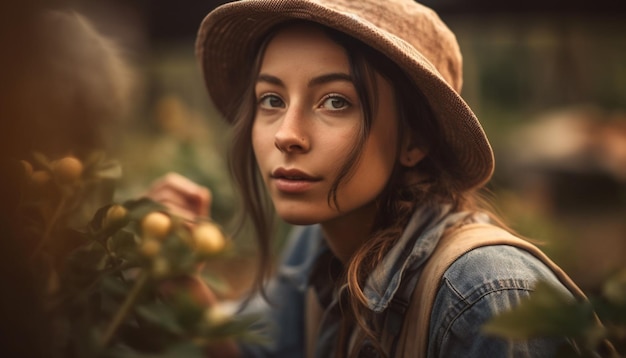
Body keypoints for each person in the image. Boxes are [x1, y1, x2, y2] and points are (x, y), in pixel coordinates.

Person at [157, 0, 582, 356]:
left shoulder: (483, 295)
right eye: (271, 99)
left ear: (414, 139)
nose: (287, 134)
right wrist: (176, 276)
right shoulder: (316, 248)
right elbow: (255, 348)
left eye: (336, 102)